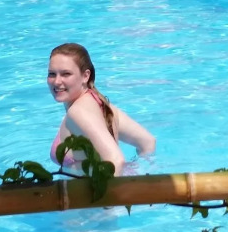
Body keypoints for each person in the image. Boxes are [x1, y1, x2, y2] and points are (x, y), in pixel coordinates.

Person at [47, 42, 155, 175]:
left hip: (103, 189)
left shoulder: (78, 112)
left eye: (66, 74)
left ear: (85, 76)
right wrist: (138, 175)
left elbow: (116, 161)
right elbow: (147, 142)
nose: (57, 81)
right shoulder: (99, 102)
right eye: (52, 74)